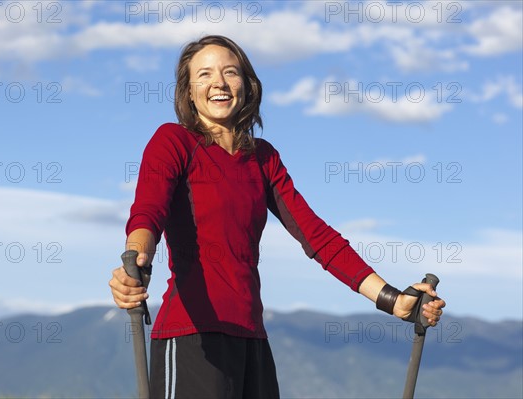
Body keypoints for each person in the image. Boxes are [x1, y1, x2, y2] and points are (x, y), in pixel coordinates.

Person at [109, 35, 446, 399]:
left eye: (230, 72)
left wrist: (393, 300)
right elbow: (148, 212)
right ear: (189, 92)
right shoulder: (173, 141)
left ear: (247, 85)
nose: (219, 83)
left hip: (252, 338)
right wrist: (136, 259)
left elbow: (318, 237)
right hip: (192, 337)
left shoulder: (263, 157)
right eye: (204, 75)